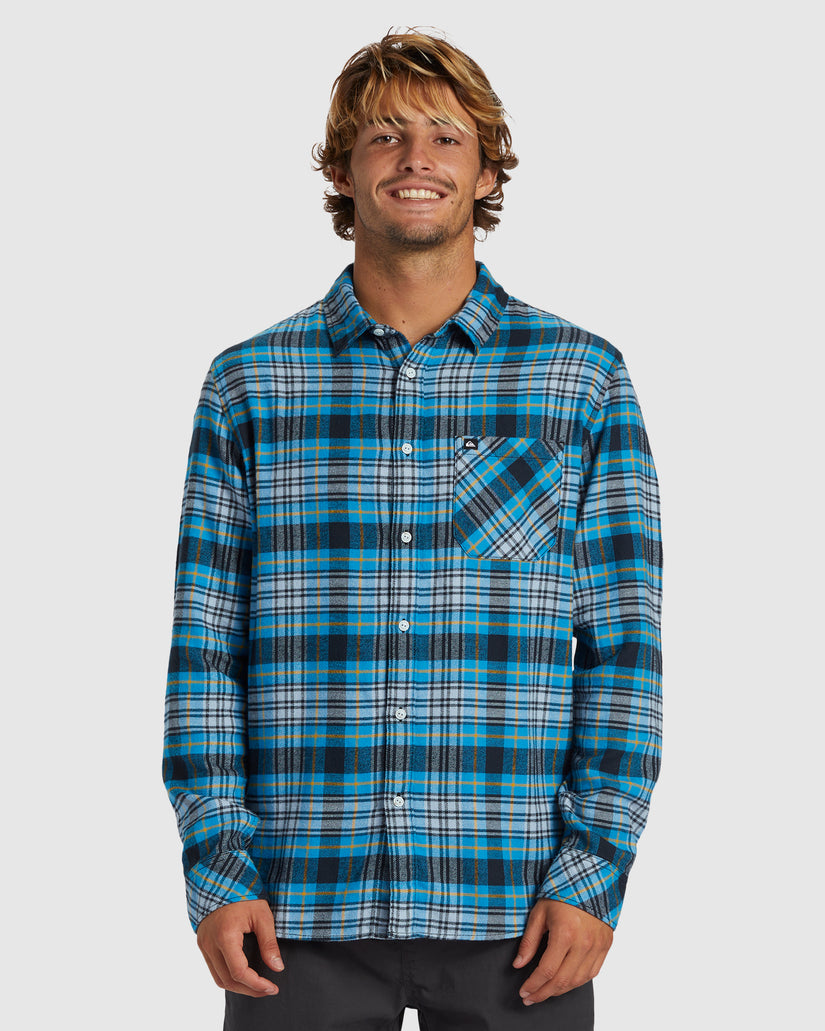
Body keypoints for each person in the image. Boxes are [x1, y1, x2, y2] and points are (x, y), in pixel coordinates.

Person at [163, 28, 662, 1031]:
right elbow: (205, 648)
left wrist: (594, 869)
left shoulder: (579, 378)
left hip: (516, 910)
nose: (415, 159)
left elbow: (623, 649)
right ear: (342, 170)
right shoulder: (250, 383)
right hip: (293, 911)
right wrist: (218, 865)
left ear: (487, 171)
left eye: (444, 136)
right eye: (384, 136)